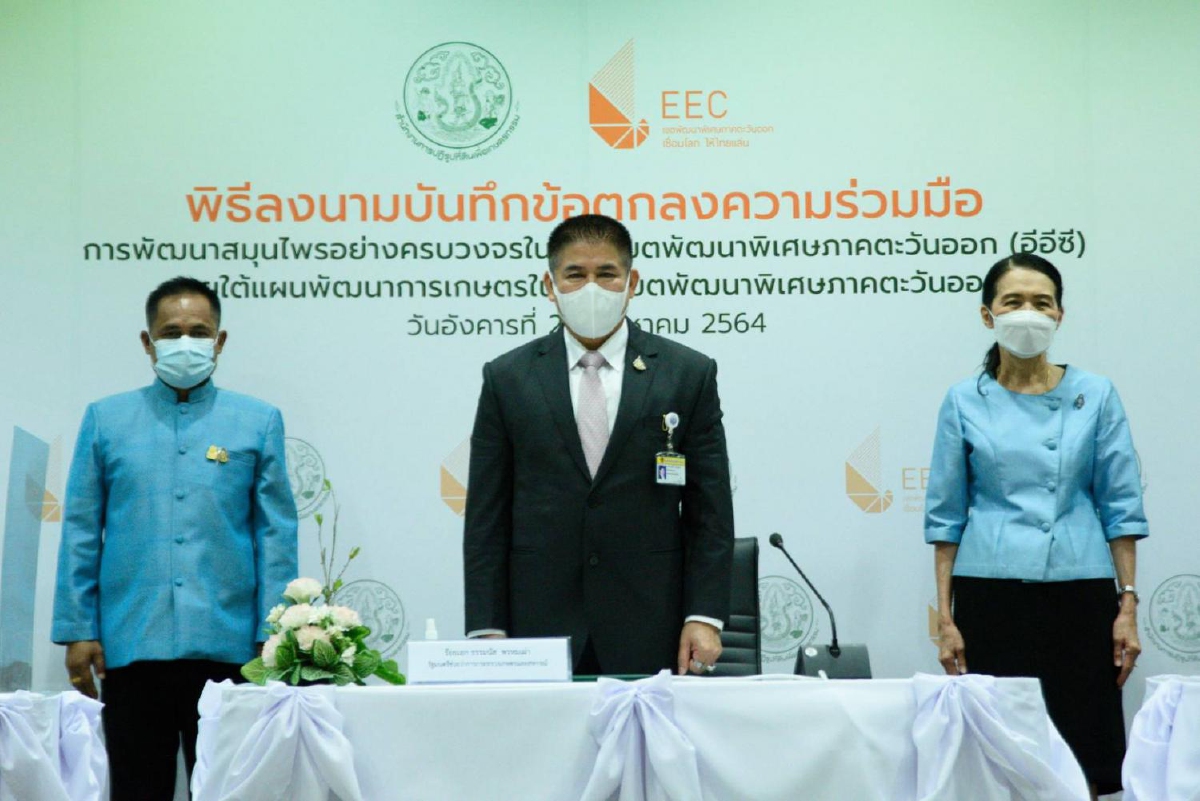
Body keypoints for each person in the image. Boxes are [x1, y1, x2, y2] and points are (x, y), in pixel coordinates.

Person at [52, 276, 299, 799]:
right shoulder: (105, 420)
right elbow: (81, 529)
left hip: (232, 649)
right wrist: (78, 629)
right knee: (137, 789)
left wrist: (273, 632)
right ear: (148, 342)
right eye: (171, 332)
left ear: (220, 340)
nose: (185, 342)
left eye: (199, 332)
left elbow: (275, 534)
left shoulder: (257, 421)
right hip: (131, 645)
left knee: (231, 791)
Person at [463, 214, 734, 676]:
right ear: (550, 285)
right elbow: (487, 518)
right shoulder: (507, 378)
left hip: (653, 622)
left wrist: (704, 616)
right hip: (537, 623)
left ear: (632, 282)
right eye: (575, 274)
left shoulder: (687, 373)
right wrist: (487, 627)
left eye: (607, 273)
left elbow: (710, 512)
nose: (592, 288)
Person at [924, 253, 1146, 798]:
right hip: (990, 594)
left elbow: (1121, 506)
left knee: (1082, 749)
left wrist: (1127, 604)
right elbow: (946, 518)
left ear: (1060, 315)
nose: (1028, 313)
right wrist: (946, 619)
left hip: (1080, 590)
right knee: (1001, 754)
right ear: (988, 315)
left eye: (1041, 302)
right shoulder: (963, 399)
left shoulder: (1095, 394)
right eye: (1014, 301)